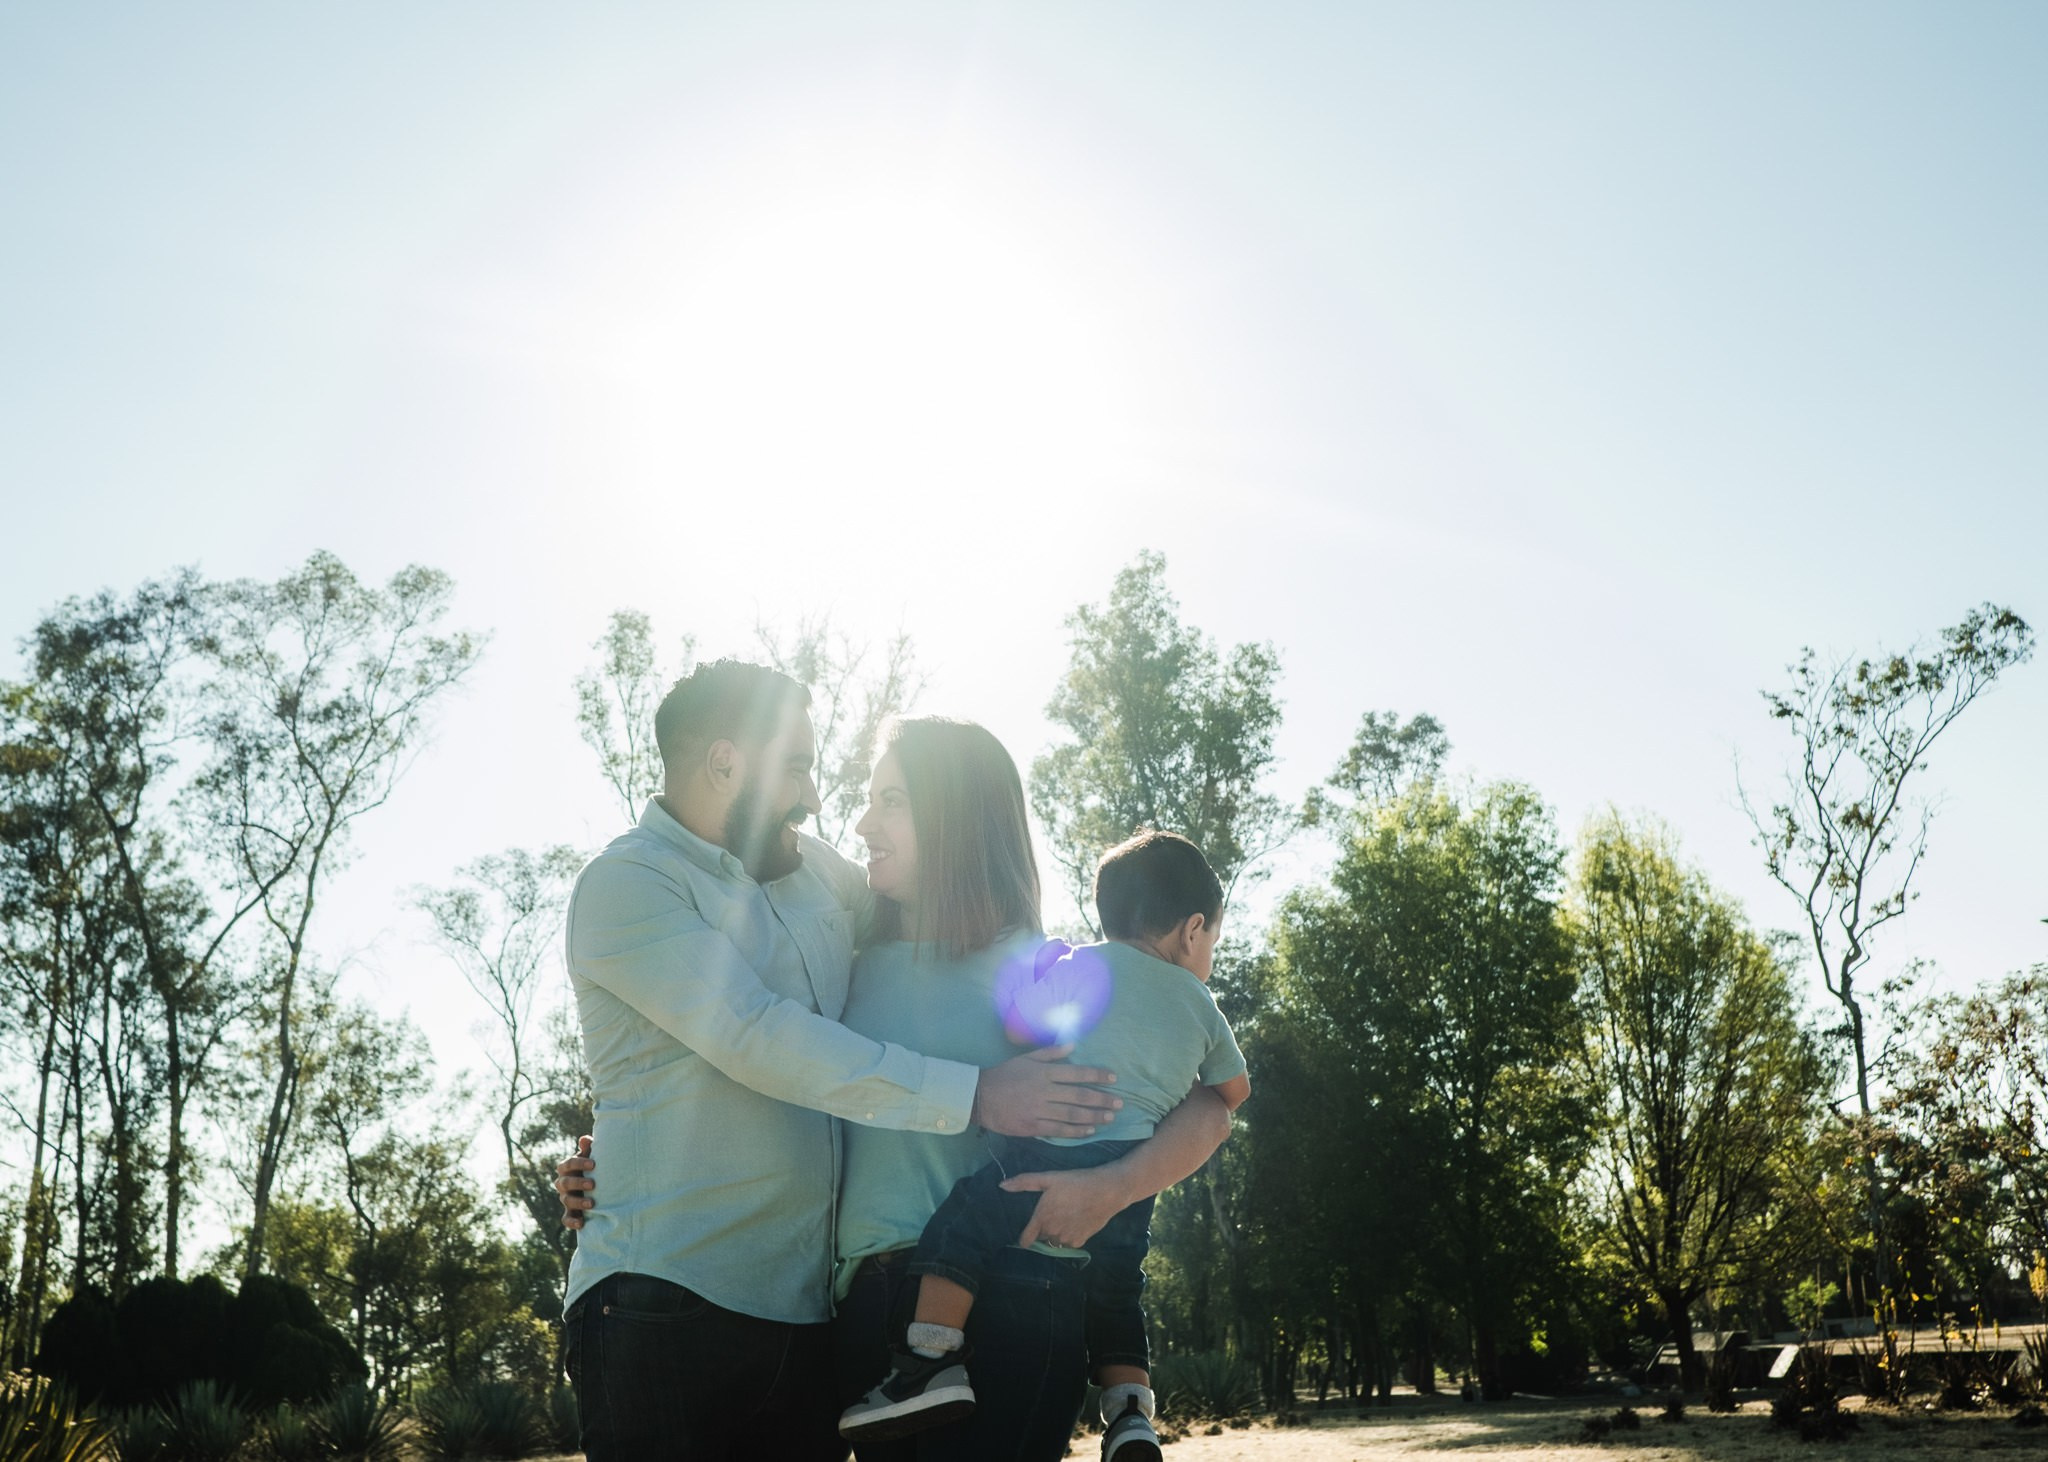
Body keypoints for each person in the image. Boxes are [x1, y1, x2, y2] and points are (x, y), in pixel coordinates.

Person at [560, 712, 1234, 1462]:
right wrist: (615, 1157)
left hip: (1011, 1293)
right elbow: (757, 1050)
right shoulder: (850, 958)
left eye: (892, 801)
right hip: (860, 1309)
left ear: (957, 817)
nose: (861, 820)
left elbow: (1205, 1106)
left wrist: (1114, 1188)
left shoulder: (1047, 969)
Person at [837, 829, 1250, 1461]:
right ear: (1193, 929)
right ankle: (1131, 1416)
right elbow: (1230, 1094)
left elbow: (1018, 1025)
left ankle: (927, 1360)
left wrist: (1034, 976)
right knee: (1118, 1290)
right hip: (1126, 1191)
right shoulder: (1200, 1002)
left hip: (1042, 1165)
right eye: (1215, 941)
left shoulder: (1079, 966)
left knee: (965, 1225)